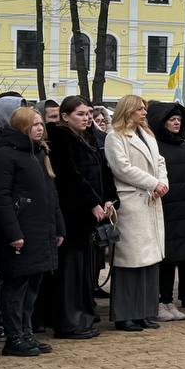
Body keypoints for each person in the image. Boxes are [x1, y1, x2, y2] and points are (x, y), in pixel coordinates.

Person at [43, 96, 114, 339]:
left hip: (88, 215)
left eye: (88, 114)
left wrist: (107, 199)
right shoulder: (61, 137)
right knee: (69, 269)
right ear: (65, 116)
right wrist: (91, 201)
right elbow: (69, 174)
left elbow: (102, 170)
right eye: (81, 114)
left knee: (84, 267)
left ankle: (83, 314)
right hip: (71, 213)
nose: (87, 118)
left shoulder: (88, 136)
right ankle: (68, 321)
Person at [0, 108, 65, 357]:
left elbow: (51, 194)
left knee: (33, 285)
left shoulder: (39, 153)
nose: (40, 128)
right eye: (34, 124)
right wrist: (13, 233)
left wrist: (59, 226)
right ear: (21, 127)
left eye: (40, 124)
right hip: (21, 231)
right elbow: (1, 197)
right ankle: (14, 337)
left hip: (41, 230)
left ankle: (26, 332)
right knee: (16, 285)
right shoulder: (6, 155)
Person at [104, 95, 168, 332]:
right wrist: (153, 183)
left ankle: (144, 311)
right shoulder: (115, 137)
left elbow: (160, 161)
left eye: (145, 109)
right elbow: (122, 168)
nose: (144, 113)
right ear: (128, 110)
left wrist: (162, 182)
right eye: (140, 109)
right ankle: (125, 314)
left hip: (151, 199)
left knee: (149, 259)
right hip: (132, 201)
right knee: (130, 260)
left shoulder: (148, 135)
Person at [148, 102, 185, 322]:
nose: (177, 122)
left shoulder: (184, 146)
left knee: (175, 258)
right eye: (171, 119)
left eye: (179, 119)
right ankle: (158, 301)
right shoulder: (155, 145)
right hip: (164, 209)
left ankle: (169, 300)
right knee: (163, 258)